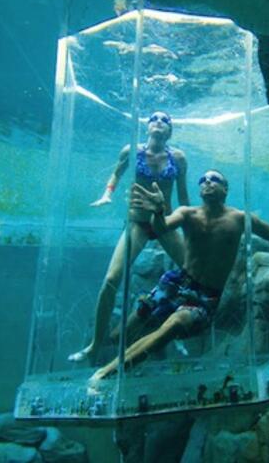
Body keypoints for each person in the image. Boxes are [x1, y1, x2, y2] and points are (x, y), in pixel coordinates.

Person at [88, 168, 269, 385]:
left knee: (175, 324)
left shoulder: (240, 219)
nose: (207, 182)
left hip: (206, 296)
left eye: (214, 179)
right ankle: (113, 365)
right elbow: (160, 229)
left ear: (226, 188)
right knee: (122, 334)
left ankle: (105, 375)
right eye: (203, 179)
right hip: (176, 282)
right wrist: (158, 211)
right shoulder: (187, 213)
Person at [68, 111, 190, 363]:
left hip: (165, 224)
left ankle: (174, 333)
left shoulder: (178, 158)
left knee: (192, 277)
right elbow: (116, 174)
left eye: (165, 120)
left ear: (170, 131)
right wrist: (107, 194)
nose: (159, 121)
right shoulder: (130, 151)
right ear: (147, 126)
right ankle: (94, 345)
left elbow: (183, 196)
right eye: (154, 118)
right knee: (111, 280)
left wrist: (191, 229)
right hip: (138, 224)